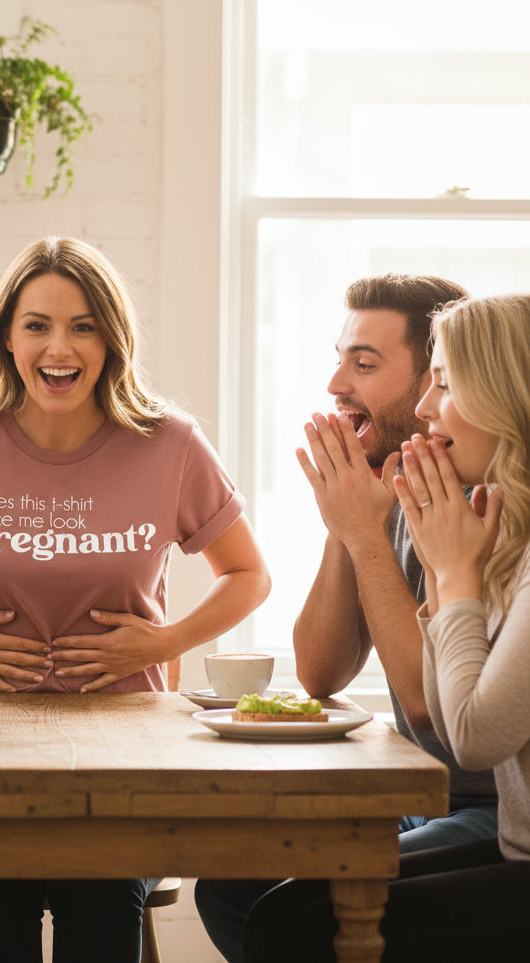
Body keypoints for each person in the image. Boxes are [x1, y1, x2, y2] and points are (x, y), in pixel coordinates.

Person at [0, 236, 271, 962]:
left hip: (125, 759)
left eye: (83, 325)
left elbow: (249, 574)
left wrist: (164, 643)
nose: (59, 347)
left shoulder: (170, 444)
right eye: (37, 325)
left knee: (100, 897)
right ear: (6, 336)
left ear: (112, 339)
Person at [194, 273, 498, 963]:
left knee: (289, 909)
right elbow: (322, 671)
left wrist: (361, 534)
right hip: (421, 795)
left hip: (493, 811)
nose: (336, 383)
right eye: (339, 359)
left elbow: (428, 708)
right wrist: (347, 520)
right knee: (228, 884)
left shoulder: (482, 511)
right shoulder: (394, 490)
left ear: (436, 385)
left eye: (363, 364)